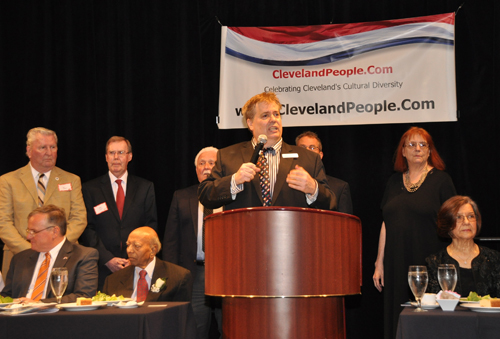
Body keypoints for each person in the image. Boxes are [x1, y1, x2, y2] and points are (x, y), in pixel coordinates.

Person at [372, 126, 456, 339]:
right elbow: (386, 223)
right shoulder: (393, 182)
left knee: (427, 323)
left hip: (428, 262)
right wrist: (379, 263)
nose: (417, 149)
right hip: (395, 263)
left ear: (429, 151)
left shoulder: (441, 181)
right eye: (411, 144)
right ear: (403, 151)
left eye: (423, 145)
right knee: (398, 319)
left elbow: (452, 223)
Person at [198, 92, 336, 211]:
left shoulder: (309, 159)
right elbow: (205, 195)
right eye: (265, 116)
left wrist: (313, 189)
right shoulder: (227, 156)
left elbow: (332, 204)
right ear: (250, 123)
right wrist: (234, 181)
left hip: (292, 238)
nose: (273, 120)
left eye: (276, 114)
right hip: (242, 237)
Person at [0, 127, 87, 276]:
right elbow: (4, 222)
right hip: (19, 257)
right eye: (42, 147)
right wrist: (30, 250)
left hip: (64, 258)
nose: (49, 152)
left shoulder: (72, 180)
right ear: (29, 151)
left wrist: (57, 247)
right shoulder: (8, 181)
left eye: (53, 147)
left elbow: (79, 218)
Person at [79, 136, 157, 289]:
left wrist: (134, 257)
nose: (116, 158)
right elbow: (87, 228)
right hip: (102, 268)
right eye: (111, 153)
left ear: (129, 156)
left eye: (121, 152)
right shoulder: (90, 189)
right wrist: (107, 259)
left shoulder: (145, 187)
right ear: (106, 157)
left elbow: (150, 226)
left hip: (136, 267)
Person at [163, 146, 222, 338]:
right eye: (201, 163)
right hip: (194, 274)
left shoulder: (232, 195)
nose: (206, 167)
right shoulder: (181, 196)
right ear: (196, 169)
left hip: (225, 273)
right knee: (195, 329)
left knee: (230, 328)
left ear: (220, 167)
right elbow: (171, 240)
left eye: (211, 163)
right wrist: (173, 275)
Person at [1, 205, 98, 303]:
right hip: (19, 316)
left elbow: (84, 296)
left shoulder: (83, 256)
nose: (28, 236)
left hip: (56, 316)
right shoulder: (20, 259)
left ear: (54, 231)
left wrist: (39, 304)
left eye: (34, 231)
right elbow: (7, 296)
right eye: (28, 231)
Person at [426, 196, 500, 297]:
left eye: (471, 216)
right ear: (447, 224)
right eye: (459, 217)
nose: (466, 222)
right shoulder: (435, 263)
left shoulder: (494, 259)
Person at [103, 227, 192, 302]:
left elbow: (182, 316)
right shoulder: (112, 280)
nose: (129, 250)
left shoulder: (178, 277)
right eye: (128, 245)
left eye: (136, 246)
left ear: (153, 250)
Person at [295, 131, 353, 214]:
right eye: (302, 148)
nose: (307, 151)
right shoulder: (286, 184)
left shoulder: (340, 187)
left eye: (312, 147)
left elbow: (345, 224)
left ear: (320, 155)